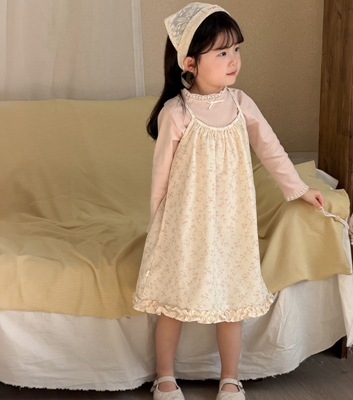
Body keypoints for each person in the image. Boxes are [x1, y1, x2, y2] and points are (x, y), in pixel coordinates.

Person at [133, 3, 324, 399]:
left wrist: (300, 189)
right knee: (172, 302)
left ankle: (230, 377)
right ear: (190, 63)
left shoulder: (241, 104)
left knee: (232, 304)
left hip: (233, 225)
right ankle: (164, 376)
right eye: (221, 53)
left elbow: (271, 150)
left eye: (236, 49)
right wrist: (158, 228)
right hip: (185, 226)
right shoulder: (176, 112)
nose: (233, 60)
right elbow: (160, 178)